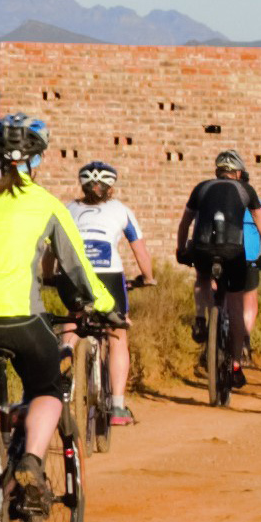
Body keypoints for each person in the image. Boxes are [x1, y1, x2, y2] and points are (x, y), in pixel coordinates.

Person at [0, 117, 117, 481]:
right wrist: (103, 306)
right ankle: (30, 463)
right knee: (46, 389)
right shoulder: (47, 204)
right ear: (36, 162)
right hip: (21, 319)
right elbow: (77, 269)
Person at [173, 150, 261, 391]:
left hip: (203, 246)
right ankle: (235, 363)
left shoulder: (201, 188)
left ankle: (201, 319)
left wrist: (181, 249)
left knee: (202, 277)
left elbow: (185, 222)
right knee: (235, 303)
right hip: (234, 251)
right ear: (239, 173)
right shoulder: (246, 190)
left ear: (217, 171)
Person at [68, 160, 149, 428]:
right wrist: (147, 277)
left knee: (72, 323)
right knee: (117, 334)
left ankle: (61, 383)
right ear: (110, 189)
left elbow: (51, 247)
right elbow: (139, 249)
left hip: (75, 274)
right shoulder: (121, 210)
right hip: (109, 276)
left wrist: (48, 276)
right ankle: (117, 406)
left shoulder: (69, 209)